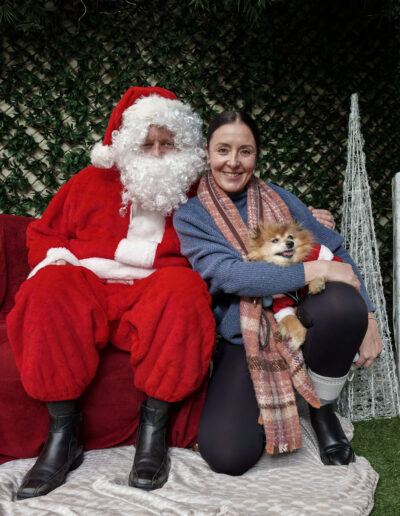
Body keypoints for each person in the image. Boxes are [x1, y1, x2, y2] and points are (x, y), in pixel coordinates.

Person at [6, 86, 216, 498]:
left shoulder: (198, 192)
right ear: (125, 145)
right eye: (147, 144)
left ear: (184, 146)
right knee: (48, 286)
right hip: (90, 287)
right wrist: (64, 261)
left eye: (168, 144)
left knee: (186, 288)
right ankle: (63, 436)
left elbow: (230, 236)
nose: (157, 154)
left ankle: (153, 432)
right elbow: (44, 234)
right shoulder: (88, 182)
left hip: (155, 291)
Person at [173, 110, 383, 476]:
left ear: (256, 155)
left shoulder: (279, 199)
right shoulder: (192, 215)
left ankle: (321, 408)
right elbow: (230, 275)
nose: (233, 162)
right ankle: (274, 389)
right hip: (244, 335)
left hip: (301, 312)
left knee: (343, 306)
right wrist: (316, 269)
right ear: (207, 152)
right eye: (223, 150)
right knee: (227, 455)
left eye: (245, 151)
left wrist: (368, 316)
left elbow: (335, 248)